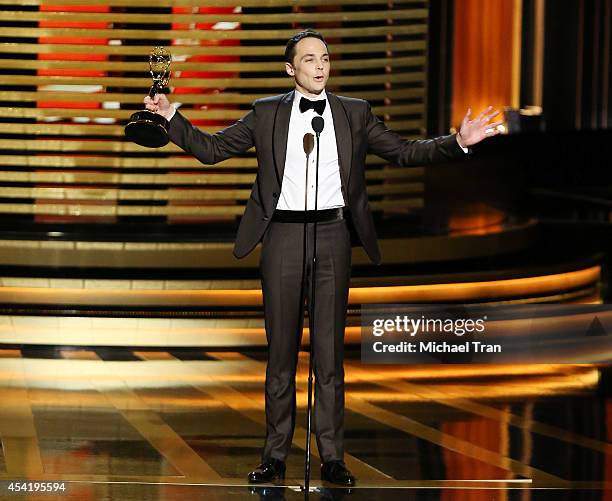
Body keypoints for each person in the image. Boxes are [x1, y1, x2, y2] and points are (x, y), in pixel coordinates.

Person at [145, 29, 502, 486]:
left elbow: (403, 152)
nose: (319, 65)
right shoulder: (265, 112)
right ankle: (274, 456)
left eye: (325, 58)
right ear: (290, 69)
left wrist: (458, 141)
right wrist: (173, 116)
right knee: (281, 355)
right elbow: (213, 150)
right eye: (309, 59)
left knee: (329, 356)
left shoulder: (355, 113)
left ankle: (333, 457)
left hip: (333, 235)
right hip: (282, 239)